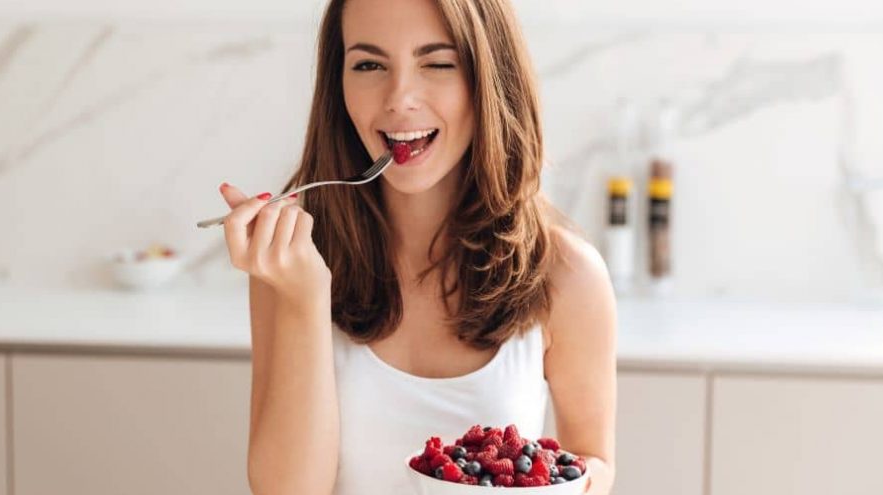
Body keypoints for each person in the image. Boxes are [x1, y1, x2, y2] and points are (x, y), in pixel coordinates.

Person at [218, 0, 616, 493]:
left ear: (488, 78)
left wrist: (557, 486)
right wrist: (304, 298)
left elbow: (593, 462)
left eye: (438, 63)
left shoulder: (565, 273)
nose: (399, 98)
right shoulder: (292, 261)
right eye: (368, 64)